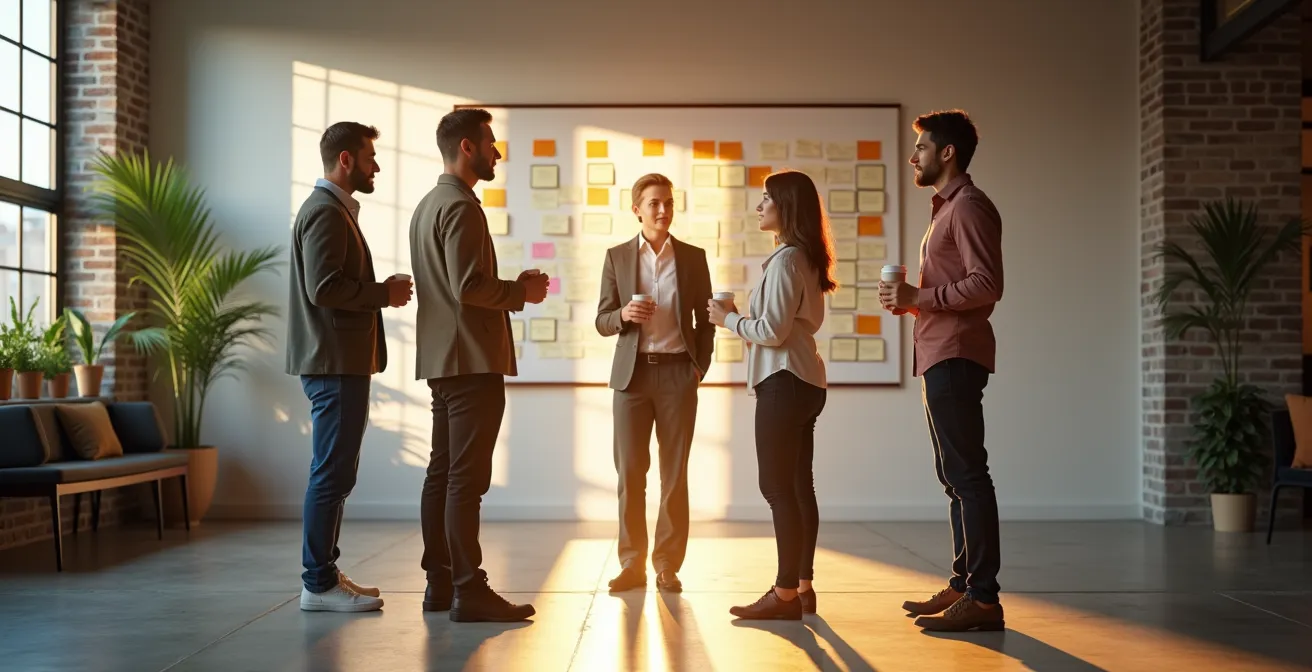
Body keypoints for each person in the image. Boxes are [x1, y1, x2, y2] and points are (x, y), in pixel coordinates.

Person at [408, 108, 549, 622]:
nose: (498, 152)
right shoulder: (463, 208)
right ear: (467, 147)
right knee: (466, 481)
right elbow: (468, 288)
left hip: (444, 363)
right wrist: (522, 292)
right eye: (491, 143)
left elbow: (451, 286)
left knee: (441, 475)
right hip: (471, 362)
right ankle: (470, 590)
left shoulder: (428, 205)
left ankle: (440, 585)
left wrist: (511, 287)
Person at [880, 108, 1005, 632]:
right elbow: (955, 289)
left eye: (922, 148)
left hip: (955, 354)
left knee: (968, 477)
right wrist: (914, 303)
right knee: (954, 477)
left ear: (947, 152)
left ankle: (983, 598)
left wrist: (920, 296)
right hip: (939, 351)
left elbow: (987, 285)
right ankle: (963, 585)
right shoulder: (945, 210)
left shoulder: (969, 207)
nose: (914, 157)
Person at [286, 121, 413, 612]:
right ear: (346, 160)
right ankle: (318, 584)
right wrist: (384, 294)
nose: (376, 165)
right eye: (369, 157)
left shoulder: (332, 210)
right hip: (333, 363)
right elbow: (324, 288)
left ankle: (324, 574)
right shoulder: (325, 212)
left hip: (337, 362)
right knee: (331, 474)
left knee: (336, 473)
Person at [708, 170, 835, 620]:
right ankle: (802, 587)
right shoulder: (805, 258)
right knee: (800, 487)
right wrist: (742, 321)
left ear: (787, 207)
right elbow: (793, 327)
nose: (759, 206)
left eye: (767, 199)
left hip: (783, 383)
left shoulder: (785, 261)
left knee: (777, 487)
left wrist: (727, 318)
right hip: (805, 381)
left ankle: (783, 595)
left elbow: (772, 332)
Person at [595, 173, 714, 595]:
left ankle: (666, 564)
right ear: (637, 209)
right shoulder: (617, 257)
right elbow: (601, 320)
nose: (663, 210)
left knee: (674, 474)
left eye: (668, 202)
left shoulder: (694, 257)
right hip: (632, 378)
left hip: (679, 373)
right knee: (630, 473)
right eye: (654, 204)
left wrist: (700, 365)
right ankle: (631, 564)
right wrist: (623, 316)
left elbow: (706, 318)